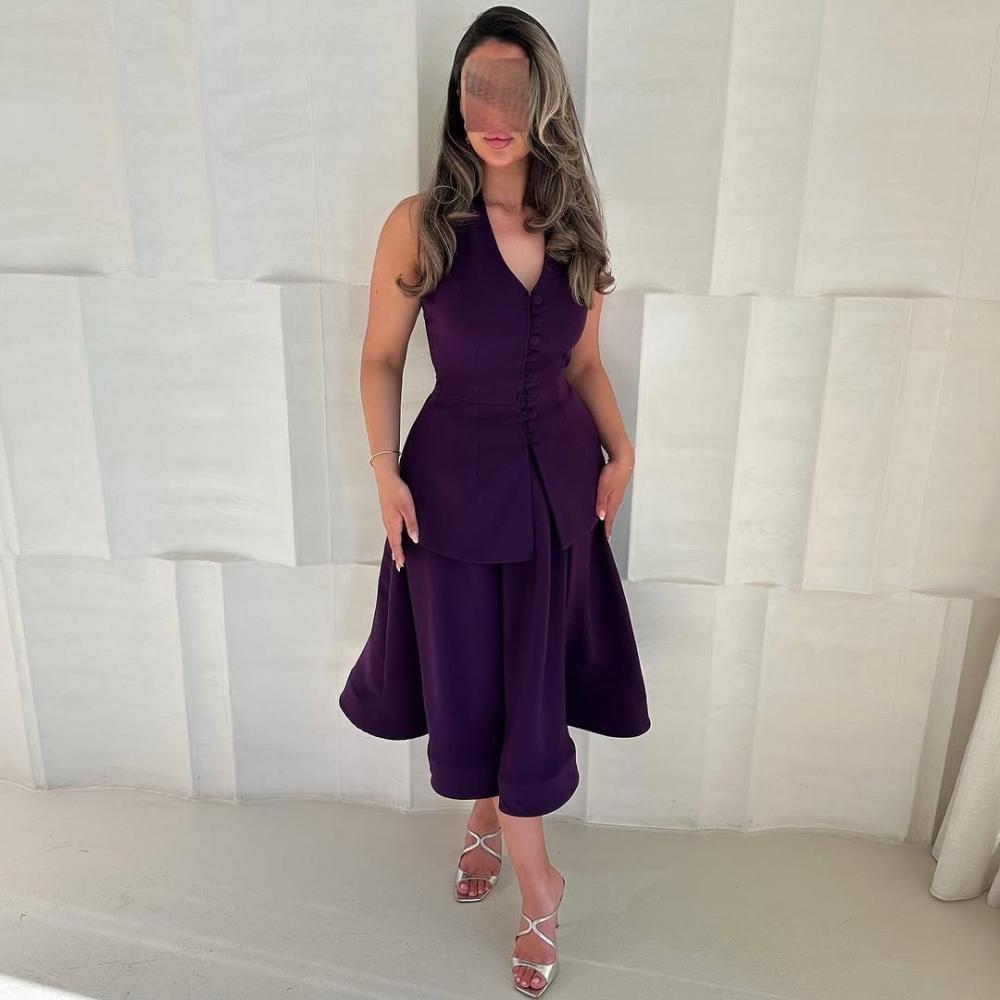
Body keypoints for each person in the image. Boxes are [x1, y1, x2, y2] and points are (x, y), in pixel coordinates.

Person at [339, 7, 651, 996]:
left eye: (515, 90)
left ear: (546, 99)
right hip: (449, 496)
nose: (495, 114)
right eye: (478, 89)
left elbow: (583, 363)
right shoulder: (421, 222)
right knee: (471, 682)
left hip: (558, 496)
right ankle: (527, 862)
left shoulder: (577, 224)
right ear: (457, 101)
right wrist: (383, 468)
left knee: (531, 688)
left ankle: (522, 859)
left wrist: (621, 445)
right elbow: (381, 357)